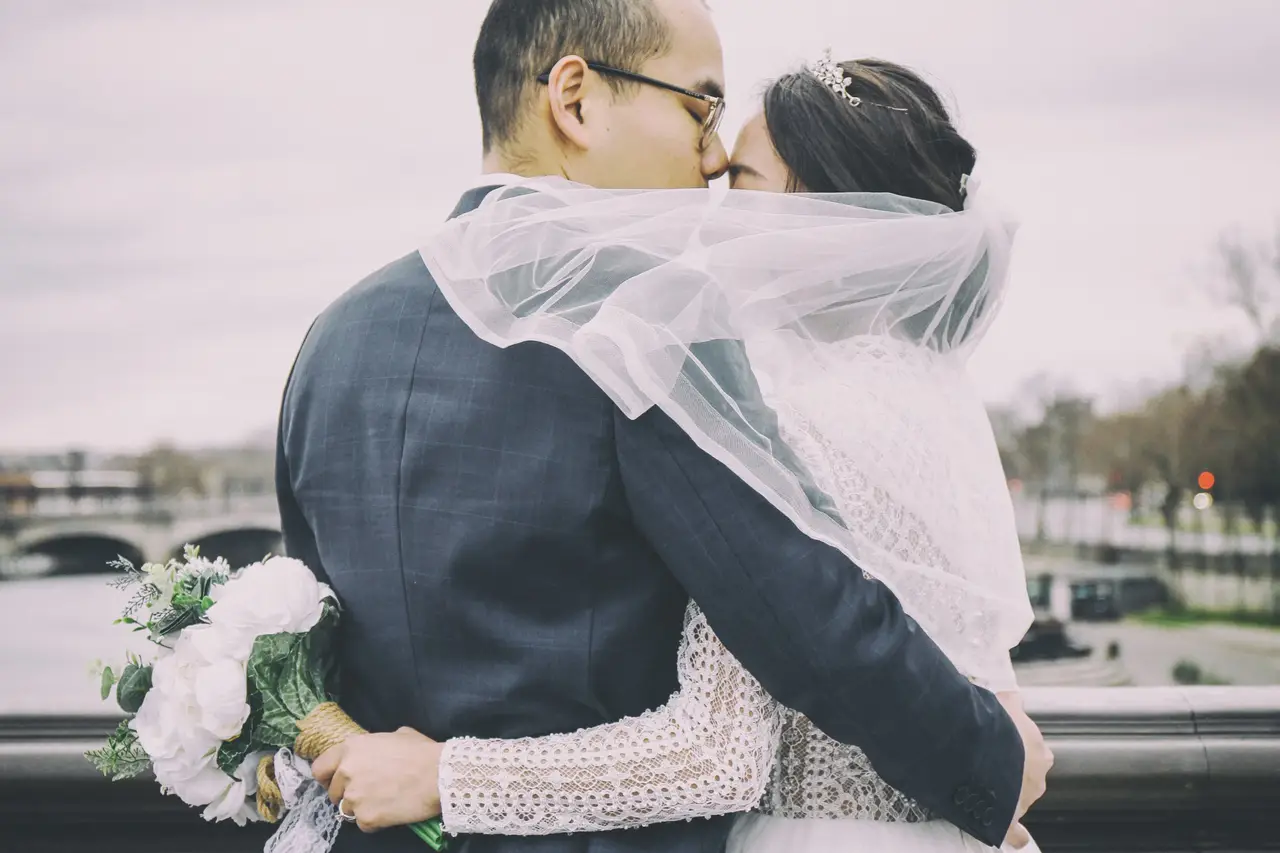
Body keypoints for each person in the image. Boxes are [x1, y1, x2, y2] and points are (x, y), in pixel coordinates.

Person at [277, 2, 1051, 853]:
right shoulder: (647, 326)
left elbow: (313, 632)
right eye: (699, 106)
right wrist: (988, 755)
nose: (713, 155)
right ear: (573, 100)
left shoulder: (332, 338)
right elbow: (806, 614)